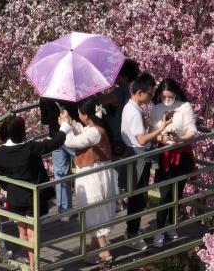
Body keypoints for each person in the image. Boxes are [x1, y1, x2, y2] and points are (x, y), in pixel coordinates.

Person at [0, 115, 72, 268]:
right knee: (32, 234)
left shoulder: (0, 152)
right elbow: (53, 144)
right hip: (33, 197)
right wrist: (64, 127)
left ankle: (29, 263)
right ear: (22, 131)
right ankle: (35, 266)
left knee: (22, 233)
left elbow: (0, 175)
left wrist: (6, 187)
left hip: (14, 197)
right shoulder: (29, 148)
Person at [61, 97, 116, 264]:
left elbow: (71, 142)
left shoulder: (94, 132)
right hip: (95, 174)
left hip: (94, 176)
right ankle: (94, 244)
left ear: (85, 115)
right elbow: (83, 132)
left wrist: (64, 126)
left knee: (94, 210)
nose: (78, 116)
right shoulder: (94, 127)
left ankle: (105, 252)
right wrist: (70, 124)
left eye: (79, 114)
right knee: (92, 209)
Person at [120, 73, 172, 250]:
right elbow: (142, 140)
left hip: (133, 153)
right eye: (149, 94)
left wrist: (148, 125)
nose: (151, 97)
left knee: (137, 195)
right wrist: (160, 128)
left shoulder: (131, 108)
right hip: (139, 155)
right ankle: (132, 234)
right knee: (138, 197)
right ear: (140, 92)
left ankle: (132, 231)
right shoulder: (134, 112)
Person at [150, 78, 197, 247]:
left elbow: (192, 130)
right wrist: (160, 137)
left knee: (178, 193)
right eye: (164, 97)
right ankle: (159, 230)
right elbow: (153, 132)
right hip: (164, 153)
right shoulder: (156, 109)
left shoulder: (184, 107)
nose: (167, 100)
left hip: (182, 152)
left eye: (170, 97)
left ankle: (171, 224)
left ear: (176, 93)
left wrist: (180, 139)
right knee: (165, 194)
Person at [98, 59, 140, 211]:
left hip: (117, 136)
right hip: (131, 136)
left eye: (117, 74)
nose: (114, 77)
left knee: (115, 170)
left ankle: (117, 203)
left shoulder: (120, 92)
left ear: (124, 76)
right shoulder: (135, 90)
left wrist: (95, 90)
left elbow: (100, 99)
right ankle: (124, 199)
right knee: (126, 170)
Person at [39, 98, 80, 221]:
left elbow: (45, 120)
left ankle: (64, 212)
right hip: (71, 135)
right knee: (85, 164)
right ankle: (92, 203)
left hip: (55, 138)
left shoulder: (44, 97)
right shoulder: (69, 93)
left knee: (60, 173)